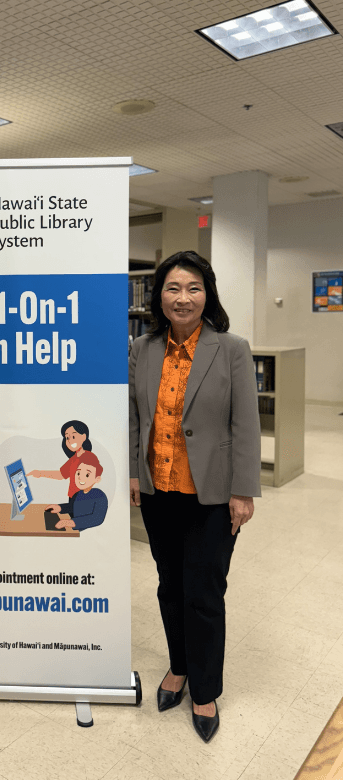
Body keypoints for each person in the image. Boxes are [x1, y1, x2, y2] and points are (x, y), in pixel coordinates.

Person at [129, 250, 260, 743]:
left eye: (193, 288)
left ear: (208, 294)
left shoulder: (231, 348)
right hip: (160, 488)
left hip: (211, 493)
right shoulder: (143, 349)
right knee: (169, 585)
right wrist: (137, 474)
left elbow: (245, 424)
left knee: (204, 593)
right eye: (172, 288)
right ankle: (178, 668)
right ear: (158, 296)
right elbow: (136, 417)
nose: (182, 298)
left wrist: (243, 491)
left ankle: (204, 690)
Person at [45, 450, 108, 531]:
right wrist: (60, 508)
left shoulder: (100, 496)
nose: (80, 477)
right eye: (78, 473)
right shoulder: (78, 494)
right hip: (75, 531)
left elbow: (97, 518)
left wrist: (70, 523)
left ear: (97, 479)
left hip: (89, 533)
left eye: (87, 475)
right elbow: (73, 507)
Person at [28, 419, 92, 497]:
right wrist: (39, 473)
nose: (70, 440)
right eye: (67, 438)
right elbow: (61, 474)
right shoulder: (74, 459)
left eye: (73, 436)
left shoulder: (89, 458)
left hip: (81, 500)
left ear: (84, 436)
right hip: (73, 498)